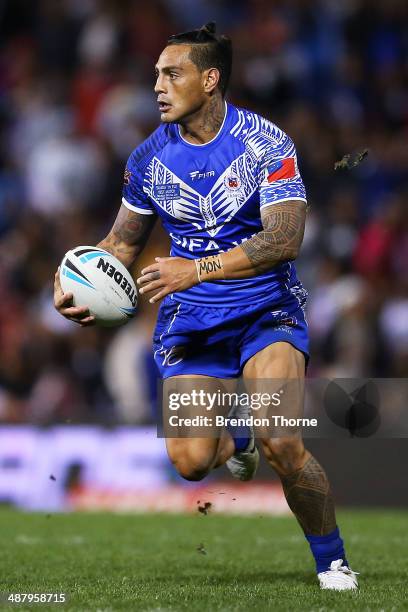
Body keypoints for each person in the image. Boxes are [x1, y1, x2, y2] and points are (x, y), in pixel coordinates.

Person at [54, 22, 358, 590]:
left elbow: (283, 240)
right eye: (156, 76)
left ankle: (333, 561)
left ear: (210, 78)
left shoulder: (267, 143)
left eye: (173, 74)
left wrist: (192, 268)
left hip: (265, 309)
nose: (159, 88)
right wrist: (73, 274)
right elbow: (120, 242)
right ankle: (233, 435)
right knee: (193, 462)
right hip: (192, 321)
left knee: (283, 441)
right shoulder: (147, 158)